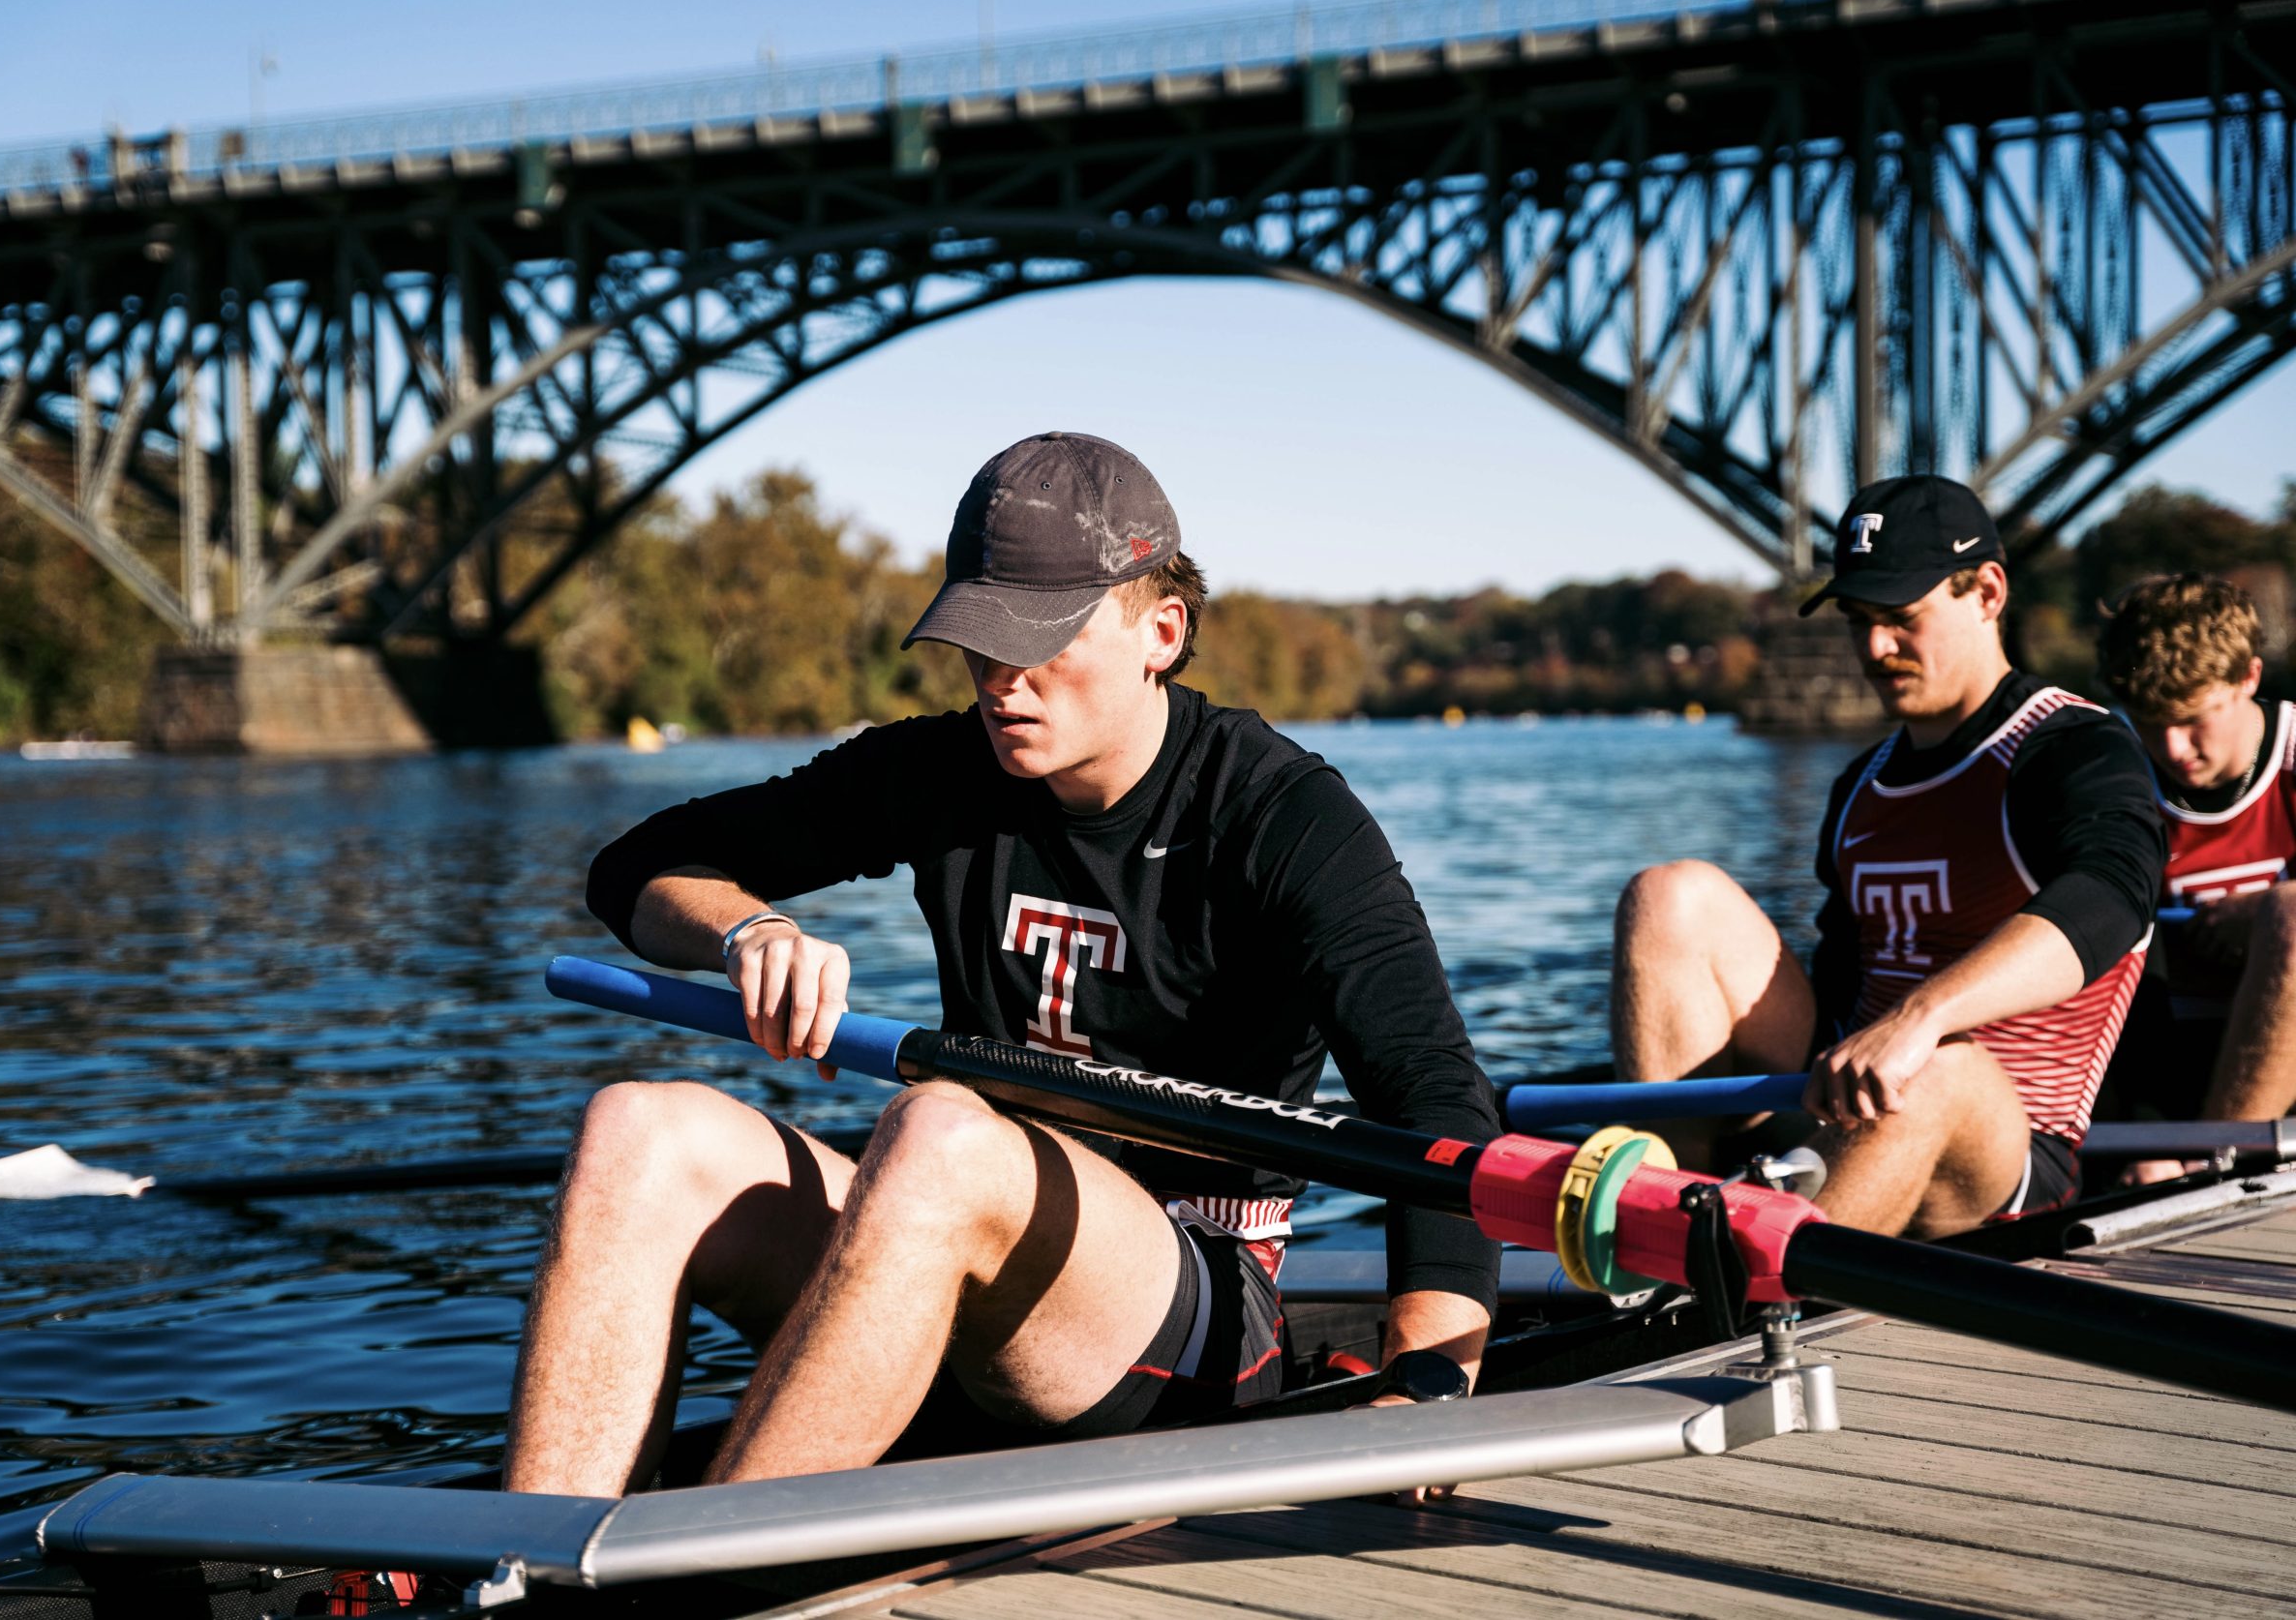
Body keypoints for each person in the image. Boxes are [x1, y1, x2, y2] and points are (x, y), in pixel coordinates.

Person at [503, 432, 1500, 1499]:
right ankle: (533, 1571)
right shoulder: (940, 772)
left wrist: (1428, 1386)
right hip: (960, 1238)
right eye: (980, 640)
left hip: (1194, 1309)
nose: (999, 679)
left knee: (936, 1131)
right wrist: (750, 935)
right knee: (638, 1132)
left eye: (1038, 638)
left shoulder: (1283, 815)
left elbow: (1436, 1103)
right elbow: (635, 870)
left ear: (1160, 630)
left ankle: (702, 1575)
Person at [1609, 475, 2164, 1236]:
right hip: (1848, 1103)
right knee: (1670, 894)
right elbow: (1839, 985)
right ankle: (1670, 1221)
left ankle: (1750, 1288)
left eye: (1902, 617)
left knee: (1942, 1062)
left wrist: (1923, 1016)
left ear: (1989, 592)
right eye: (1858, 619)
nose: (1874, 647)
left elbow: (2112, 900)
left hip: (2006, 1151)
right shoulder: (1860, 783)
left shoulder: (2076, 749)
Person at [2093, 575, 2296, 1151]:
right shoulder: (2110, 772)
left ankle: (2218, 1159)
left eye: (2193, 719)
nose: (2174, 749)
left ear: (2248, 678)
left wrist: (2265, 912)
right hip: (2154, 1059)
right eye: (2151, 723)